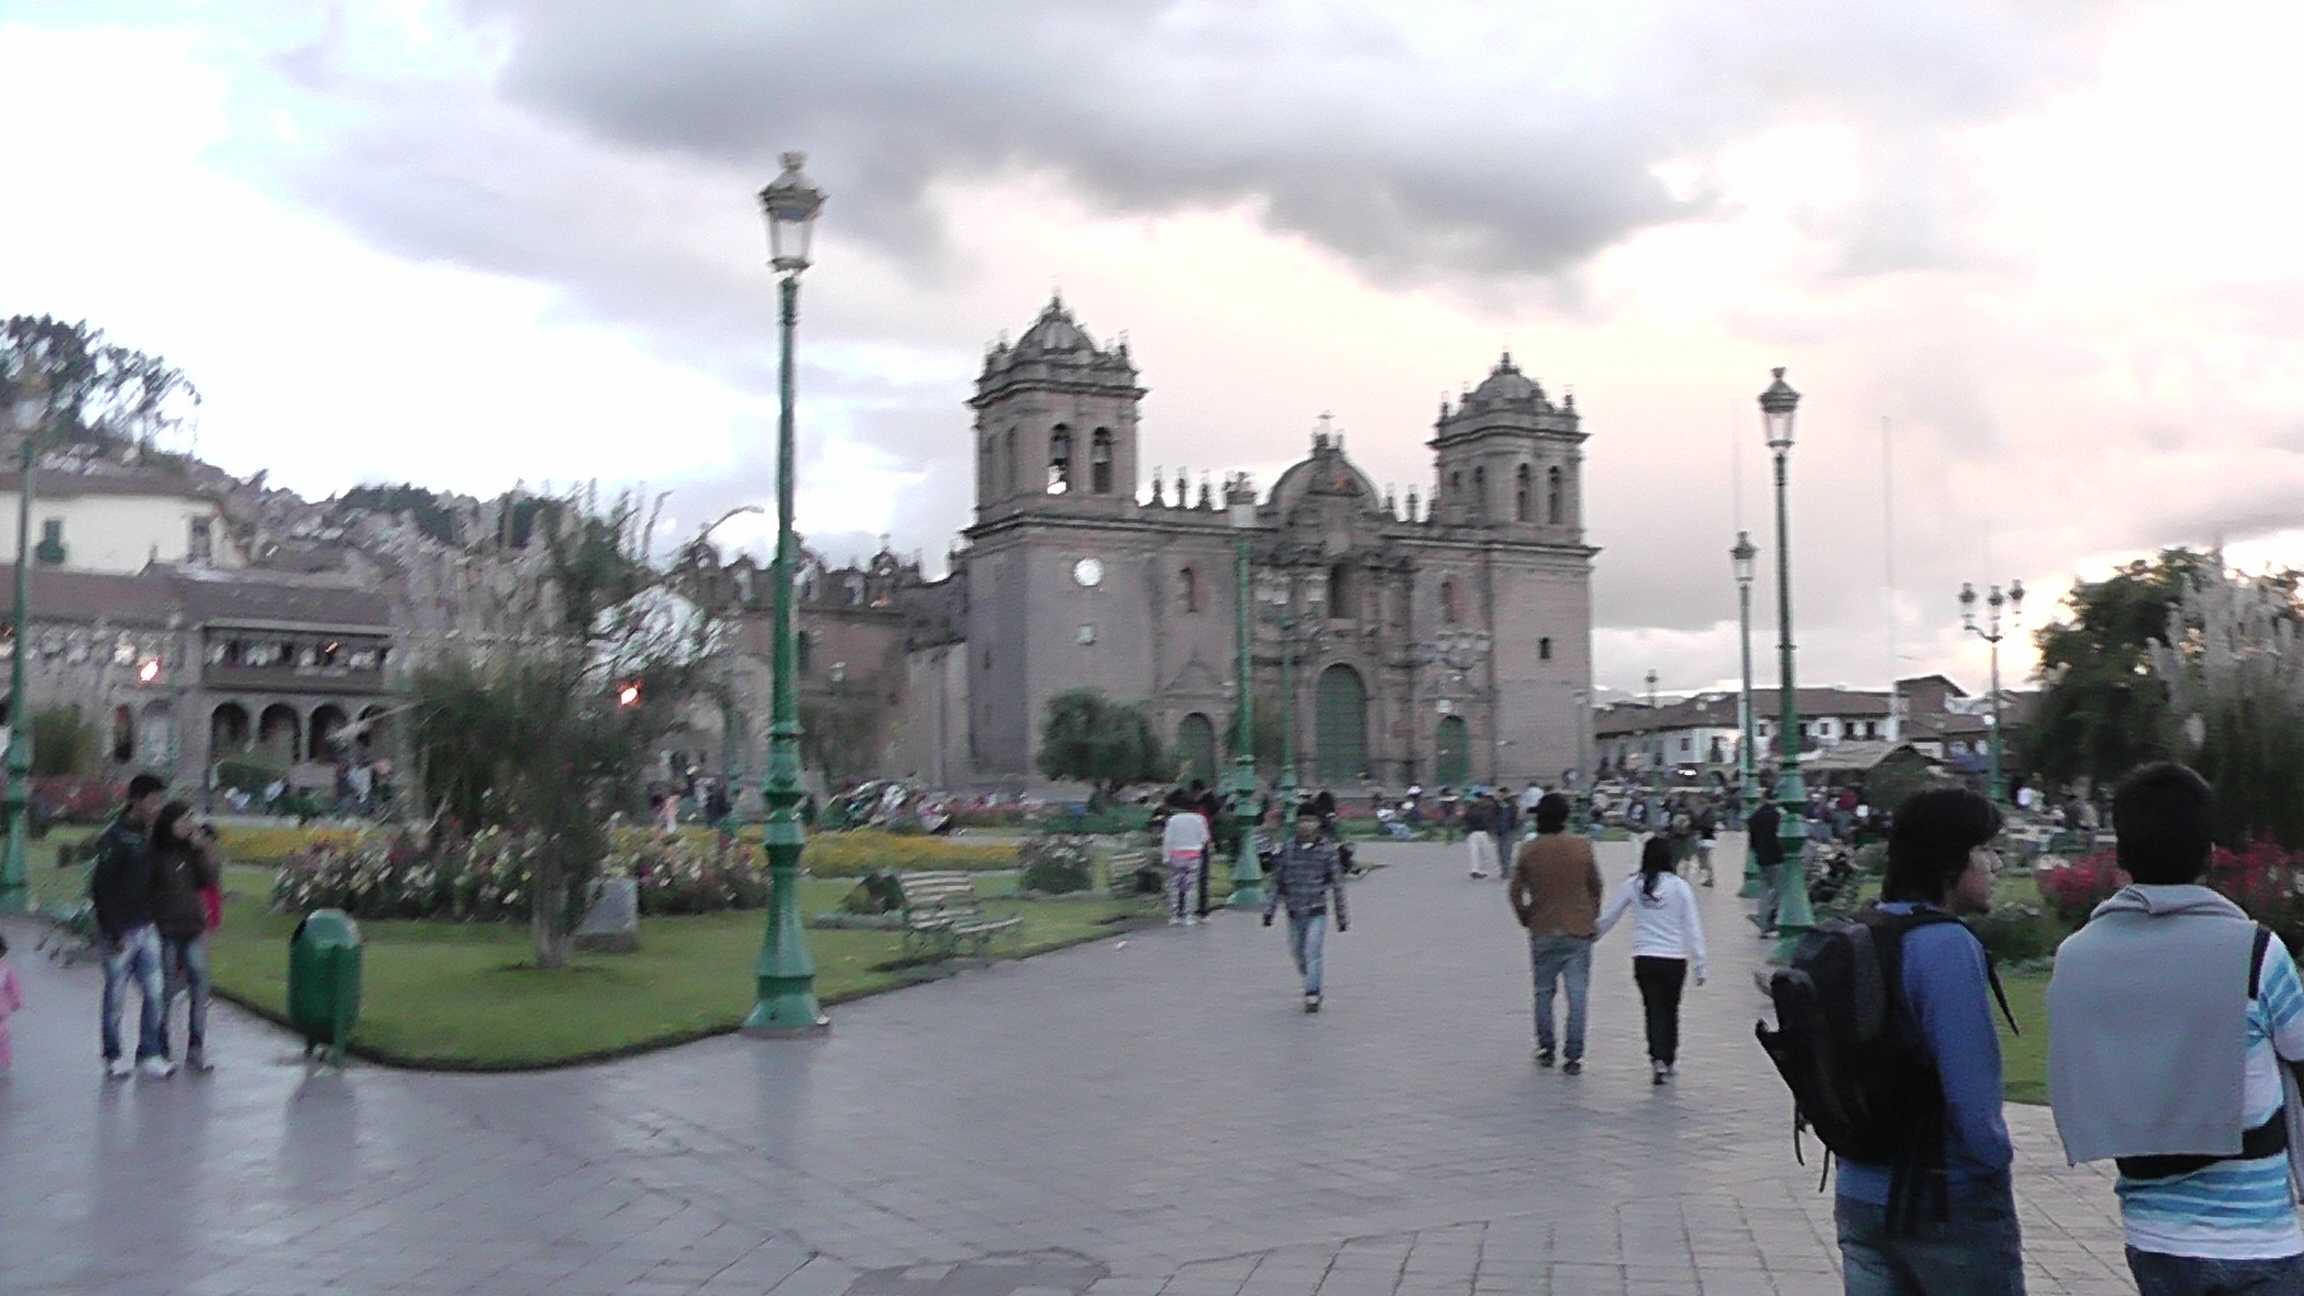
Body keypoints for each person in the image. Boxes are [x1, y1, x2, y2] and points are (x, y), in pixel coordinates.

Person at [2048, 763, 2304, 1293]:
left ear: (2120, 856)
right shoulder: (2255, 952)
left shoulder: (2077, 958)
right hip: (2257, 1238)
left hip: (2154, 1235)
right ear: (2210, 854)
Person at [1834, 786, 2021, 1295]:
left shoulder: (1864, 933)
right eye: (1986, 850)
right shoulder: (1946, 945)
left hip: (1860, 1191)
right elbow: (1972, 1095)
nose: (1996, 865)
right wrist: (1995, 1160)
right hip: (1943, 1196)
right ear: (1950, 861)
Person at [1595, 836, 1707, 1085]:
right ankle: (1669, 1057)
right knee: (1671, 1009)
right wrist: (1700, 962)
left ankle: (1656, 1056)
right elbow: (1692, 926)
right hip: (1674, 958)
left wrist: (1592, 937)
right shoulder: (1679, 886)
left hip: (1644, 957)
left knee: (1652, 1008)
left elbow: (1609, 916)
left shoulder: (1634, 884)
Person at [1509, 792, 1602, 1074]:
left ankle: (1546, 1047)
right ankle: (1573, 1055)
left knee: (1543, 991)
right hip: (1578, 930)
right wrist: (1590, 914)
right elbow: (1595, 886)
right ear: (1565, 817)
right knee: (1577, 994)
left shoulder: (1529, 849)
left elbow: (1514, 892)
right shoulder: (1582, 847)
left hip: (1543, 928)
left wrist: (1526, 916)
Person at [90, 773, 172, 1079]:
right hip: (119, 930)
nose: (158, 806)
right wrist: (112, 930)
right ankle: (113, 1055)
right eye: (153, 800)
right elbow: (101, 887)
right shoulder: (115, 836)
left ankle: (149, 1053)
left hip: (146, 926)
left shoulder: (152, 835)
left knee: (155, 992)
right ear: (136, 800)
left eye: (160, 800)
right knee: (115, 996)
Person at [148, 800, 222, 1073]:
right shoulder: (156, 853)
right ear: (170, 823)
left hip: (193, 928)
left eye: (191, 820)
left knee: (200, 986)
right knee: (165, 990)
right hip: (166, 929)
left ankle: (196, 1046)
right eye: (184, 820)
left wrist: (203, 850)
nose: (190, 825)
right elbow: (146, 889)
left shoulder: (191, 852)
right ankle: (161, 1045)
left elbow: (208, 879)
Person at [1262, 805, 1349, 1012]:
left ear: (1318, 824)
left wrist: (1342, 916)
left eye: (1310, 820)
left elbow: (1337, 884)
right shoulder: (1288, 848)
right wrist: (1269, 910)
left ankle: (1312, 993)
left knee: (1313, 951)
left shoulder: (1327, 851)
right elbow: (1277, 881)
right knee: (1298, 953)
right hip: (1294, 910)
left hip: (1316, 910)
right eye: (1302, 820)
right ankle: (1310, 976)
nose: (1306, 825)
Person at [1160, 789, 1210, 927]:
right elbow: (1204, 838)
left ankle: (1175, 915)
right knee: (1191, 887)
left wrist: (1166, 857)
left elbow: (1168, 840)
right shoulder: (1199, 819)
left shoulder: (1173, 820)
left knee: (1175, 886)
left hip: (1176, 855)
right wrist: (1198, 846)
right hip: (1193, 855)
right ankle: (1189, 915)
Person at [1748, 796, 1784, 933]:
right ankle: (1771, 917)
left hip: (1762, 857)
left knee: (1764, 888)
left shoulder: (1755, 816)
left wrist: (1757, 851)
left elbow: (1752, 841)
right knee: (1778, 888)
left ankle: (1762, 918)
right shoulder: (1779, 816)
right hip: (1777, 857)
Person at [1463, 792, 1499, 880]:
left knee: (1474, 852)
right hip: (1482, 832)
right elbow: (1490, 819)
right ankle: (1481, 870)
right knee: (1483, 852)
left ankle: (1475, 870)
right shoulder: (1486, 808)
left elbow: (1465, 819)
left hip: (1473, 832)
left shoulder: (1470, 809)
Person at [0, 931, 21, 1074]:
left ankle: (4, 1060)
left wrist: (16, 1000)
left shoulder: (5, 969)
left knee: (1, 1035)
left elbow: (13, 986)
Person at [1694, 803, 1718, 887]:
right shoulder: (1711, 816)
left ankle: (1709, 879)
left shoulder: (1705, 817)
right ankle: (1709, 878)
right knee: (1705, 859)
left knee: (1705, 859)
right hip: (1710, 839)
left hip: (1705, 839)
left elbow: (1702, 827)